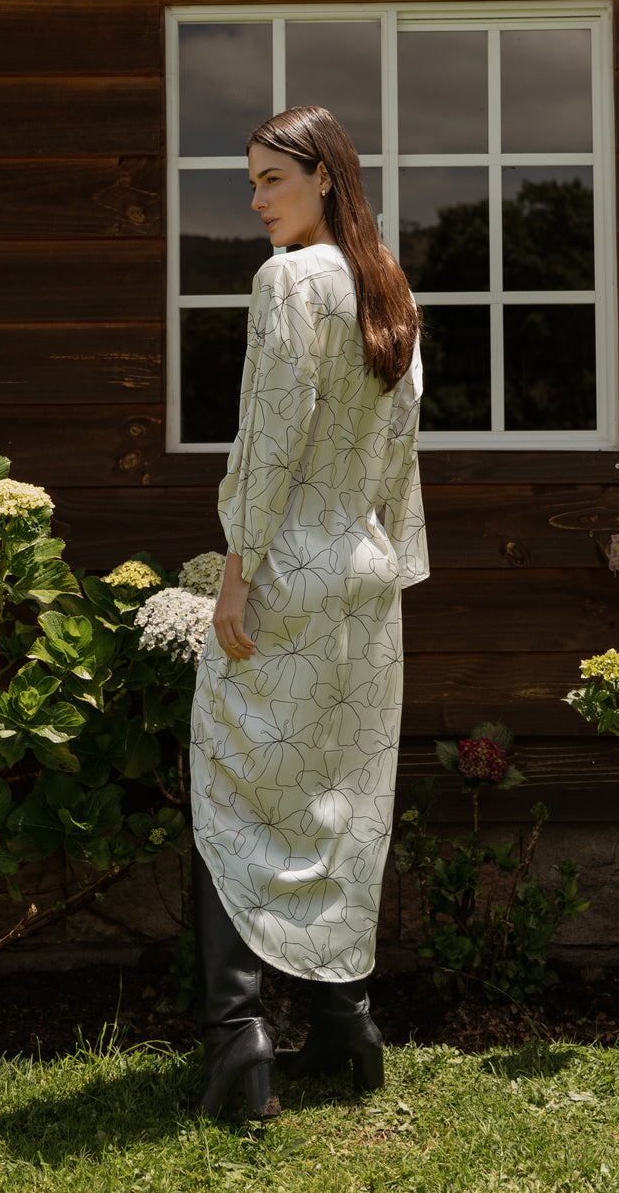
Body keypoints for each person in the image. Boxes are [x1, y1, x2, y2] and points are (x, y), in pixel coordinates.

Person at [188, 105, 429, 1120]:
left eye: (270, 181)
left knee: (235, 795)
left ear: (325, 176)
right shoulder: (390, 288)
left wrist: (236, 568)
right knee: (334, 800)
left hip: (288, 571)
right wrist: (391, 560)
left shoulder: (291, 282)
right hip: (365, 577)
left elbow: (271, 438)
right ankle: (348, 1029)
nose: (255, 202)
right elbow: (402, 452)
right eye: (249, 183)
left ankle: (237, 1046)